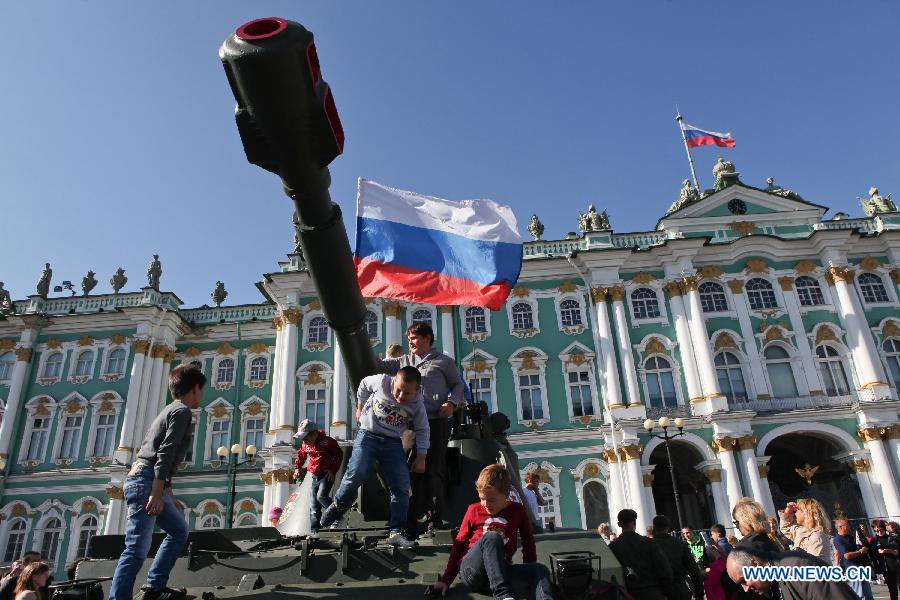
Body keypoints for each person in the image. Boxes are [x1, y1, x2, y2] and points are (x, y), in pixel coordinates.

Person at [110, 364, 204, 600]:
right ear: (195, 388)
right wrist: (156, 491)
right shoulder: (182, 411)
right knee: (136, 547)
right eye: (201, 390)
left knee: (178, 530)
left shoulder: (168, 410)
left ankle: (154, 587)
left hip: (147, 479)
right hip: (146, 481)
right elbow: (165, 452)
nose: (201, 395)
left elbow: (160, 454)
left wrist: (167, 493)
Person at [321, 366, 429, 548]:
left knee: (402, 486)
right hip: (368, 435)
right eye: (398, 390)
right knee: (357, 472)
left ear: (417, 390)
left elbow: (423, 429)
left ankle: (396, 532)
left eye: (407, 393)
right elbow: (363, 385)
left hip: (392, 441)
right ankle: (339, 505)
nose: (401, 396)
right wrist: (360, 407)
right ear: (394, 381)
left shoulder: (418, 404)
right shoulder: (382, 381)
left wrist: (421, 457)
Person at [378, 322, 463, 535]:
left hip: (435, 421)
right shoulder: (404, 362)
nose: (410, 342)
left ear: (427, 338)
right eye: (409, 338)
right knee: (405, 470)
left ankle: (433, 519)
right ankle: (407, 521)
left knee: (434, 469)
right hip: (409, 425)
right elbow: (377, 366)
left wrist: (451, 403)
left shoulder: (443, 361)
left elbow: (457, 384)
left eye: (414, 338)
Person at [429, 464, 553, 600]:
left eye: (491, 500)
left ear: (506, 494)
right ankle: (503, 595)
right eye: (482, 498)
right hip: (472, 571)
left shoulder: (518, 510)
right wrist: (446, 580)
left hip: (500, 570)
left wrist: (529, 575)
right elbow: (459, 544)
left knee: (539, 570)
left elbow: (528, 541)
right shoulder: (474, 510)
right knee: (492, 537)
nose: (486, 504)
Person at [726, 547, 856, 599]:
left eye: (744, 580)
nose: (746, 589)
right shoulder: (773, 584)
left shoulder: (799, 568)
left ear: (755, 565)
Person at [292, 419, 343, 534]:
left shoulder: (328, 442)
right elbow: (301, 455)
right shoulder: (305, 444)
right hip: (315, 476)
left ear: (314, 434)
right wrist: (297, 467)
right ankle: (314, 530)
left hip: (326, 475)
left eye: (306, 438)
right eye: (302, 439)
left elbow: (339, 454)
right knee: (314, 504)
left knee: (321, 497)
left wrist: (332, 470)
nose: (304, 441)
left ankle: (337, 517)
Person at [609, 509, 673, 599]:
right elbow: (665, 570)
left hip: (628, 594)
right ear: (634, 523)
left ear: (619, 524)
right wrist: (665, 592)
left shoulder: (613, 547)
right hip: (653, 592)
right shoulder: (649, 543)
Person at [653, 515, 704, 600]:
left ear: (654, 527)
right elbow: (693, 570)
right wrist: (699, 593)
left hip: (659, 592)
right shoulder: (680, 544)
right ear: (668, 527)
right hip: (679, 590)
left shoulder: (649, 545)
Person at [778, 498, 834, 563]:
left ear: (806, 513)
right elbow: (786, 528)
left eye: (797, 511)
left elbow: (814, 564)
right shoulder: (802, 531)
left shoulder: (817, 537)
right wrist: (787, 512)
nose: (795, 514)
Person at [835, 518, 876, 600]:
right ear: (840, 527)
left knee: (868, 594)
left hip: (860, 566)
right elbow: (847, 556)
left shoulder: (850, 537)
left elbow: (861, 544)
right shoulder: (838, 540)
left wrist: (862, 533)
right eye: (846, 525)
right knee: (859, 594)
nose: (849, 526)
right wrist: (860, 552)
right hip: (852, 568)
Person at [872, 520, 898, 600]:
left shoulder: (892, 537)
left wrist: (889, 551)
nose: (879, 532)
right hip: (885, 568)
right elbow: (873, 555)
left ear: (884, 528)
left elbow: (896, 552)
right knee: (892, 589)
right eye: (877, 530)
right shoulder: (874, 540)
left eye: (881, 530)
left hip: (896, 565)